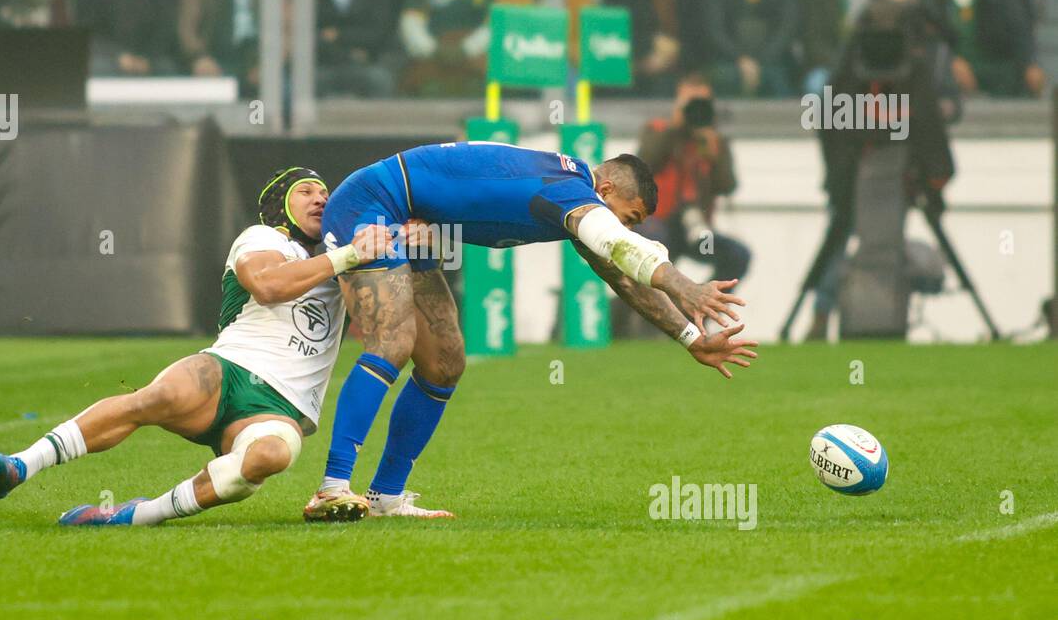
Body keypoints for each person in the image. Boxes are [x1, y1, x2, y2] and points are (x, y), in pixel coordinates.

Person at [305, 142, 758, 521]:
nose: (627, 226)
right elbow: (621, 247)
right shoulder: (568, 191)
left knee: (445, 363)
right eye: (631, 215)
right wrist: (688, 288)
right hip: (372, 203)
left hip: (416, 220)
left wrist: (692, 339)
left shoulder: (574, 196)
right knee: (394, 341)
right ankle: (332, 487)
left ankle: (385, 497)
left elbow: (621, 278)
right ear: (605, 188)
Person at [0, 169, 395, 526]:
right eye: (306, 191)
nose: (321, 198)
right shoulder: (263, 237)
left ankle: (134, 516)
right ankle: (22, 464)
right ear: (279, 206)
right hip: (227, 370)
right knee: (160, 396)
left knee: (268, 457)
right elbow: (268, 286)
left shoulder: (345, 260)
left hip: (283, 406)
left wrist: (398, 239)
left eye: (326, 193)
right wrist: (351, 255)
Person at [636, 73, 749, 285]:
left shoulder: (714, 140)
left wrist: (714, 155)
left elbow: (727, 186)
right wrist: (675, 126)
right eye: (690, 104)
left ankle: (697, 309)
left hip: (695, 229)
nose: (695, 110)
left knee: (738, 255)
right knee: (655, 246)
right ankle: (645, 312)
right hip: (659, 222)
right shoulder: (658, 130)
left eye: (702, 104)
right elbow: (644, 166)